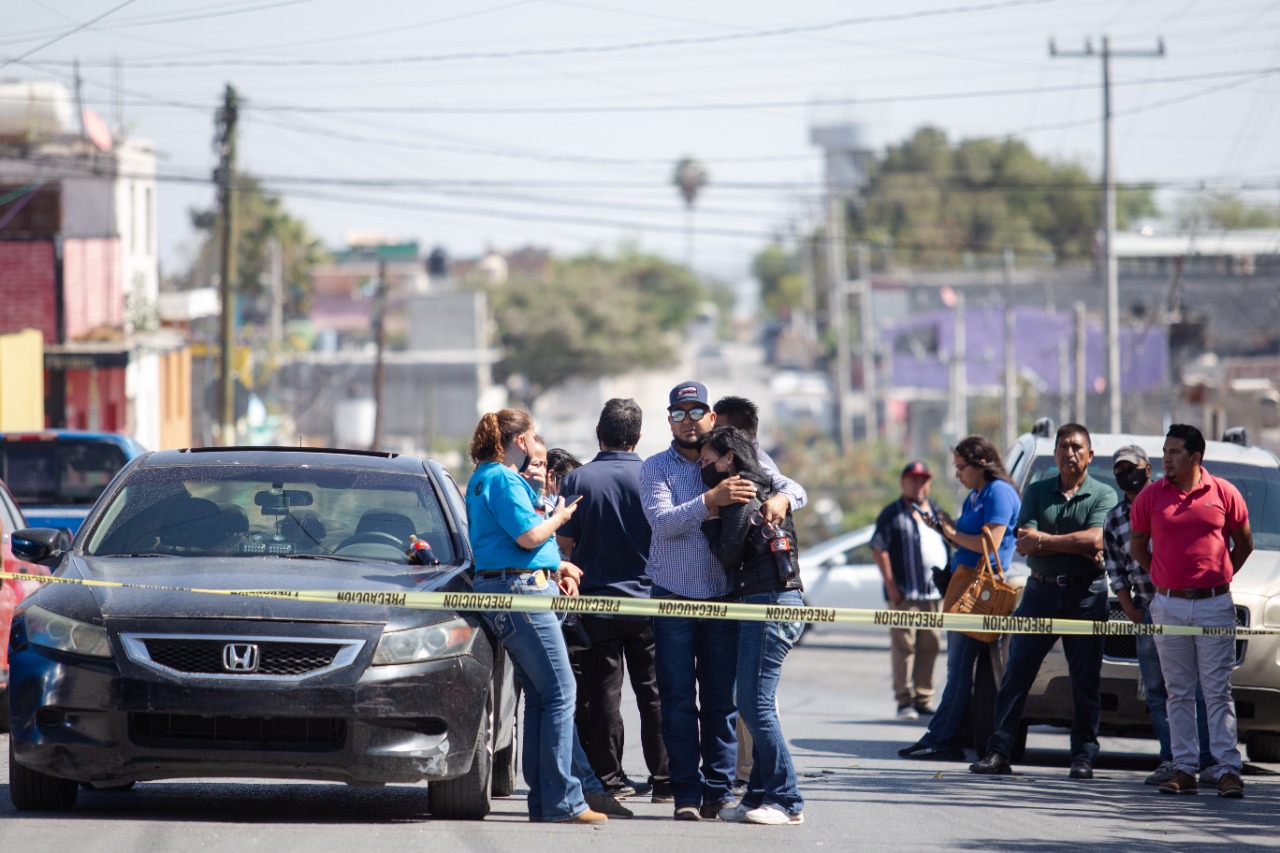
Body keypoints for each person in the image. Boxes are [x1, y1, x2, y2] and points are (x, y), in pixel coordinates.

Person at [641, 380, 804, 821]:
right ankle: (686, 796)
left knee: (722, 701)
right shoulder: (656, 467)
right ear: (669, 420)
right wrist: (709, 500)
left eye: (697, 413)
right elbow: (661, 523)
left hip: (724, 599)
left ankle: (718, 792)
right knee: (676, 699)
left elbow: (792, 486)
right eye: (679, 414)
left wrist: (784, 498)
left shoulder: (734, 452)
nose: (689, 422)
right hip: (672, 597)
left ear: (712, 417)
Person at [464, 409, 607, 825]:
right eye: (531, 436)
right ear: (521, 441)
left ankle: (547, 802)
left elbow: (513, 539)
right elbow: (527, 536)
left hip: (512, 589)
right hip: (518, 593)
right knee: (561, 692)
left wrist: (555, 566)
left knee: (544, 696)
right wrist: (559, 518)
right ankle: (563, 800)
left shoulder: (484, 477)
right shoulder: (503, 477)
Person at [970, 424, 1117, 780]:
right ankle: (999, 751)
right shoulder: (1036, 491)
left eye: (1077, 447)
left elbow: (1097, 540)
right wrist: (1069, 543)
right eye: (1063, 447)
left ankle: (1083, 756)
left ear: (1090, 455)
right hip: (1040, 593)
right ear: (1054, 454)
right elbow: (1023, 539)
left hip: (1086, 596)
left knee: (1085, 681)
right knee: (1017, 673)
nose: (1070, 453)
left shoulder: (1103, 494)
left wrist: (1046, 542)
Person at [557, 398, 672, 803]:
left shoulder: (577, 481)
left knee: (603, 694)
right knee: (655, 693)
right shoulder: (654, 476)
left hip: (596, 603)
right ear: (638, 437)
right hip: (650, 601)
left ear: (598, 434)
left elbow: (564, 545)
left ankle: (609, 780)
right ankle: (664, 781)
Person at [1131, 424, 1253, 798]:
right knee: (1179, 691)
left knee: (1217, 690)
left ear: (1195, 458)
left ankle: (1227, 769)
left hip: (1215, 605)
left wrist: (1220, 575)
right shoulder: (1150, 497)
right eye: (1164, 451)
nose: (1166, 459)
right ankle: (1184, 768)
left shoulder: (1224, 493)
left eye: (1175, 452)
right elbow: (1137, 546)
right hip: (1168, 606)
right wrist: (1164, 577)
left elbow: (1244, 543)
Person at [698, 426, 807, 826]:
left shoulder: (741, 491)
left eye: (708, 461)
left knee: (755, 705)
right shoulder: (761, 485)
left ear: (728, 458)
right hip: (762, 602)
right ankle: (757, 796)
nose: (704, 469)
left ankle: (788, 799)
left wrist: (710, 518)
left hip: (770, 604)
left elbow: (728, 554)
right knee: (752, 703)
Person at [899, 436, 1020, 761]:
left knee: (958, 669)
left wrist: (951, 532)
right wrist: (942, 528)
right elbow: (965, 542)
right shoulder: (975, 495)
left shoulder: (1000, 493)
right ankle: (945, 735)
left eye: (960, 467)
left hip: (979, 595)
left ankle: (941, 738)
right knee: (959, 670)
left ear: (981, 464)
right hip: (962, 587)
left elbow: (988, 543)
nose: (957, 474)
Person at [1103, 444, 1213, 786]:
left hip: (1184, 606)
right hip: (1149, 610)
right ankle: (1172, 759)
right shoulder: (1115, 518)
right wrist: (1130, 607)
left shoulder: (1166, 503)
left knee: (1198, 688)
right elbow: (1115, 567)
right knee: (1156, 689)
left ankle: (1208, 761)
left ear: (1148, 468)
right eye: (1119, 469)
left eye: (1131, 467)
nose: (1125, 474)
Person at [872, 461, 950, 721]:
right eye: (913, 479)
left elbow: (951, 542)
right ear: (903, 482)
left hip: (933, 596)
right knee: (905, 648)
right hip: (905, 594)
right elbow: (878, 548)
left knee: (931, 645)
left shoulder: (937, 511)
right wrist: (891, 585)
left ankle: (924, 698)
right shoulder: (892, 513)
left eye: (923, 480)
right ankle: (904, 700)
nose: (918, 485)